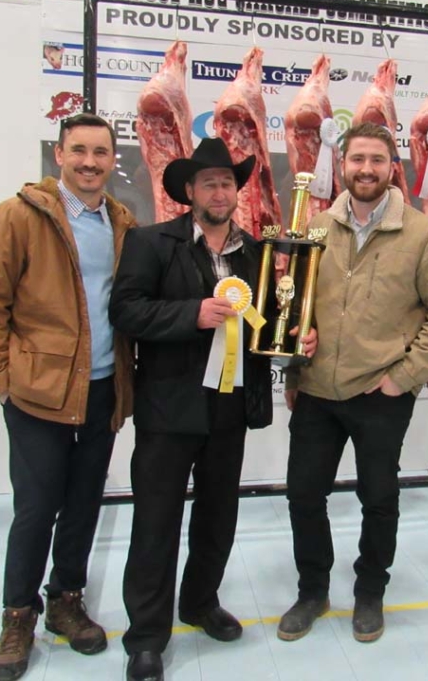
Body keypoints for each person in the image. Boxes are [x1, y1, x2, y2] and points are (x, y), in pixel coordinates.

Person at [110, 137, 316, 681]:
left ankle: (200, 602)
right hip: (168, 409)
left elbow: (269, 321)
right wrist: (191, 314)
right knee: (155, 523)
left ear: (236, 191)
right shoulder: (150, 242)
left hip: (229, 408)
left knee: (218, 516)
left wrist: (296, 336)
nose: (220, 192)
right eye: (209, 184)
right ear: (189, 191)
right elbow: (126, 311)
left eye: (227, 183)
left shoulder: (256, 253)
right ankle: (146, 637)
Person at [277, 121, 428, 644]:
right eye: (357, 159)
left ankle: (370, 592)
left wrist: (404, 377)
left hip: (380, 394)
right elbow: (297, 304)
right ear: (343, 165)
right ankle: (312, 591)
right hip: (316, 391)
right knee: (303, 495)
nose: (366, 169)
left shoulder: (422, 234)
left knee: (378, 498)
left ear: (392, 168)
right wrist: (294, 365)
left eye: (377, 160)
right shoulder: (316, 226)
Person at [0, 113, 136, 681]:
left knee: (84, 503)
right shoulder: (19, 216)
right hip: (37, 395)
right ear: (59, 154)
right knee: (37, 509)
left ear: (112, 159)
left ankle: (66, 600)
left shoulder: (121, 223)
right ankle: (18, 616)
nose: (90, 162)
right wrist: (3, 378)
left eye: (101, 152)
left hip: (102, 389)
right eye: (79, 150)